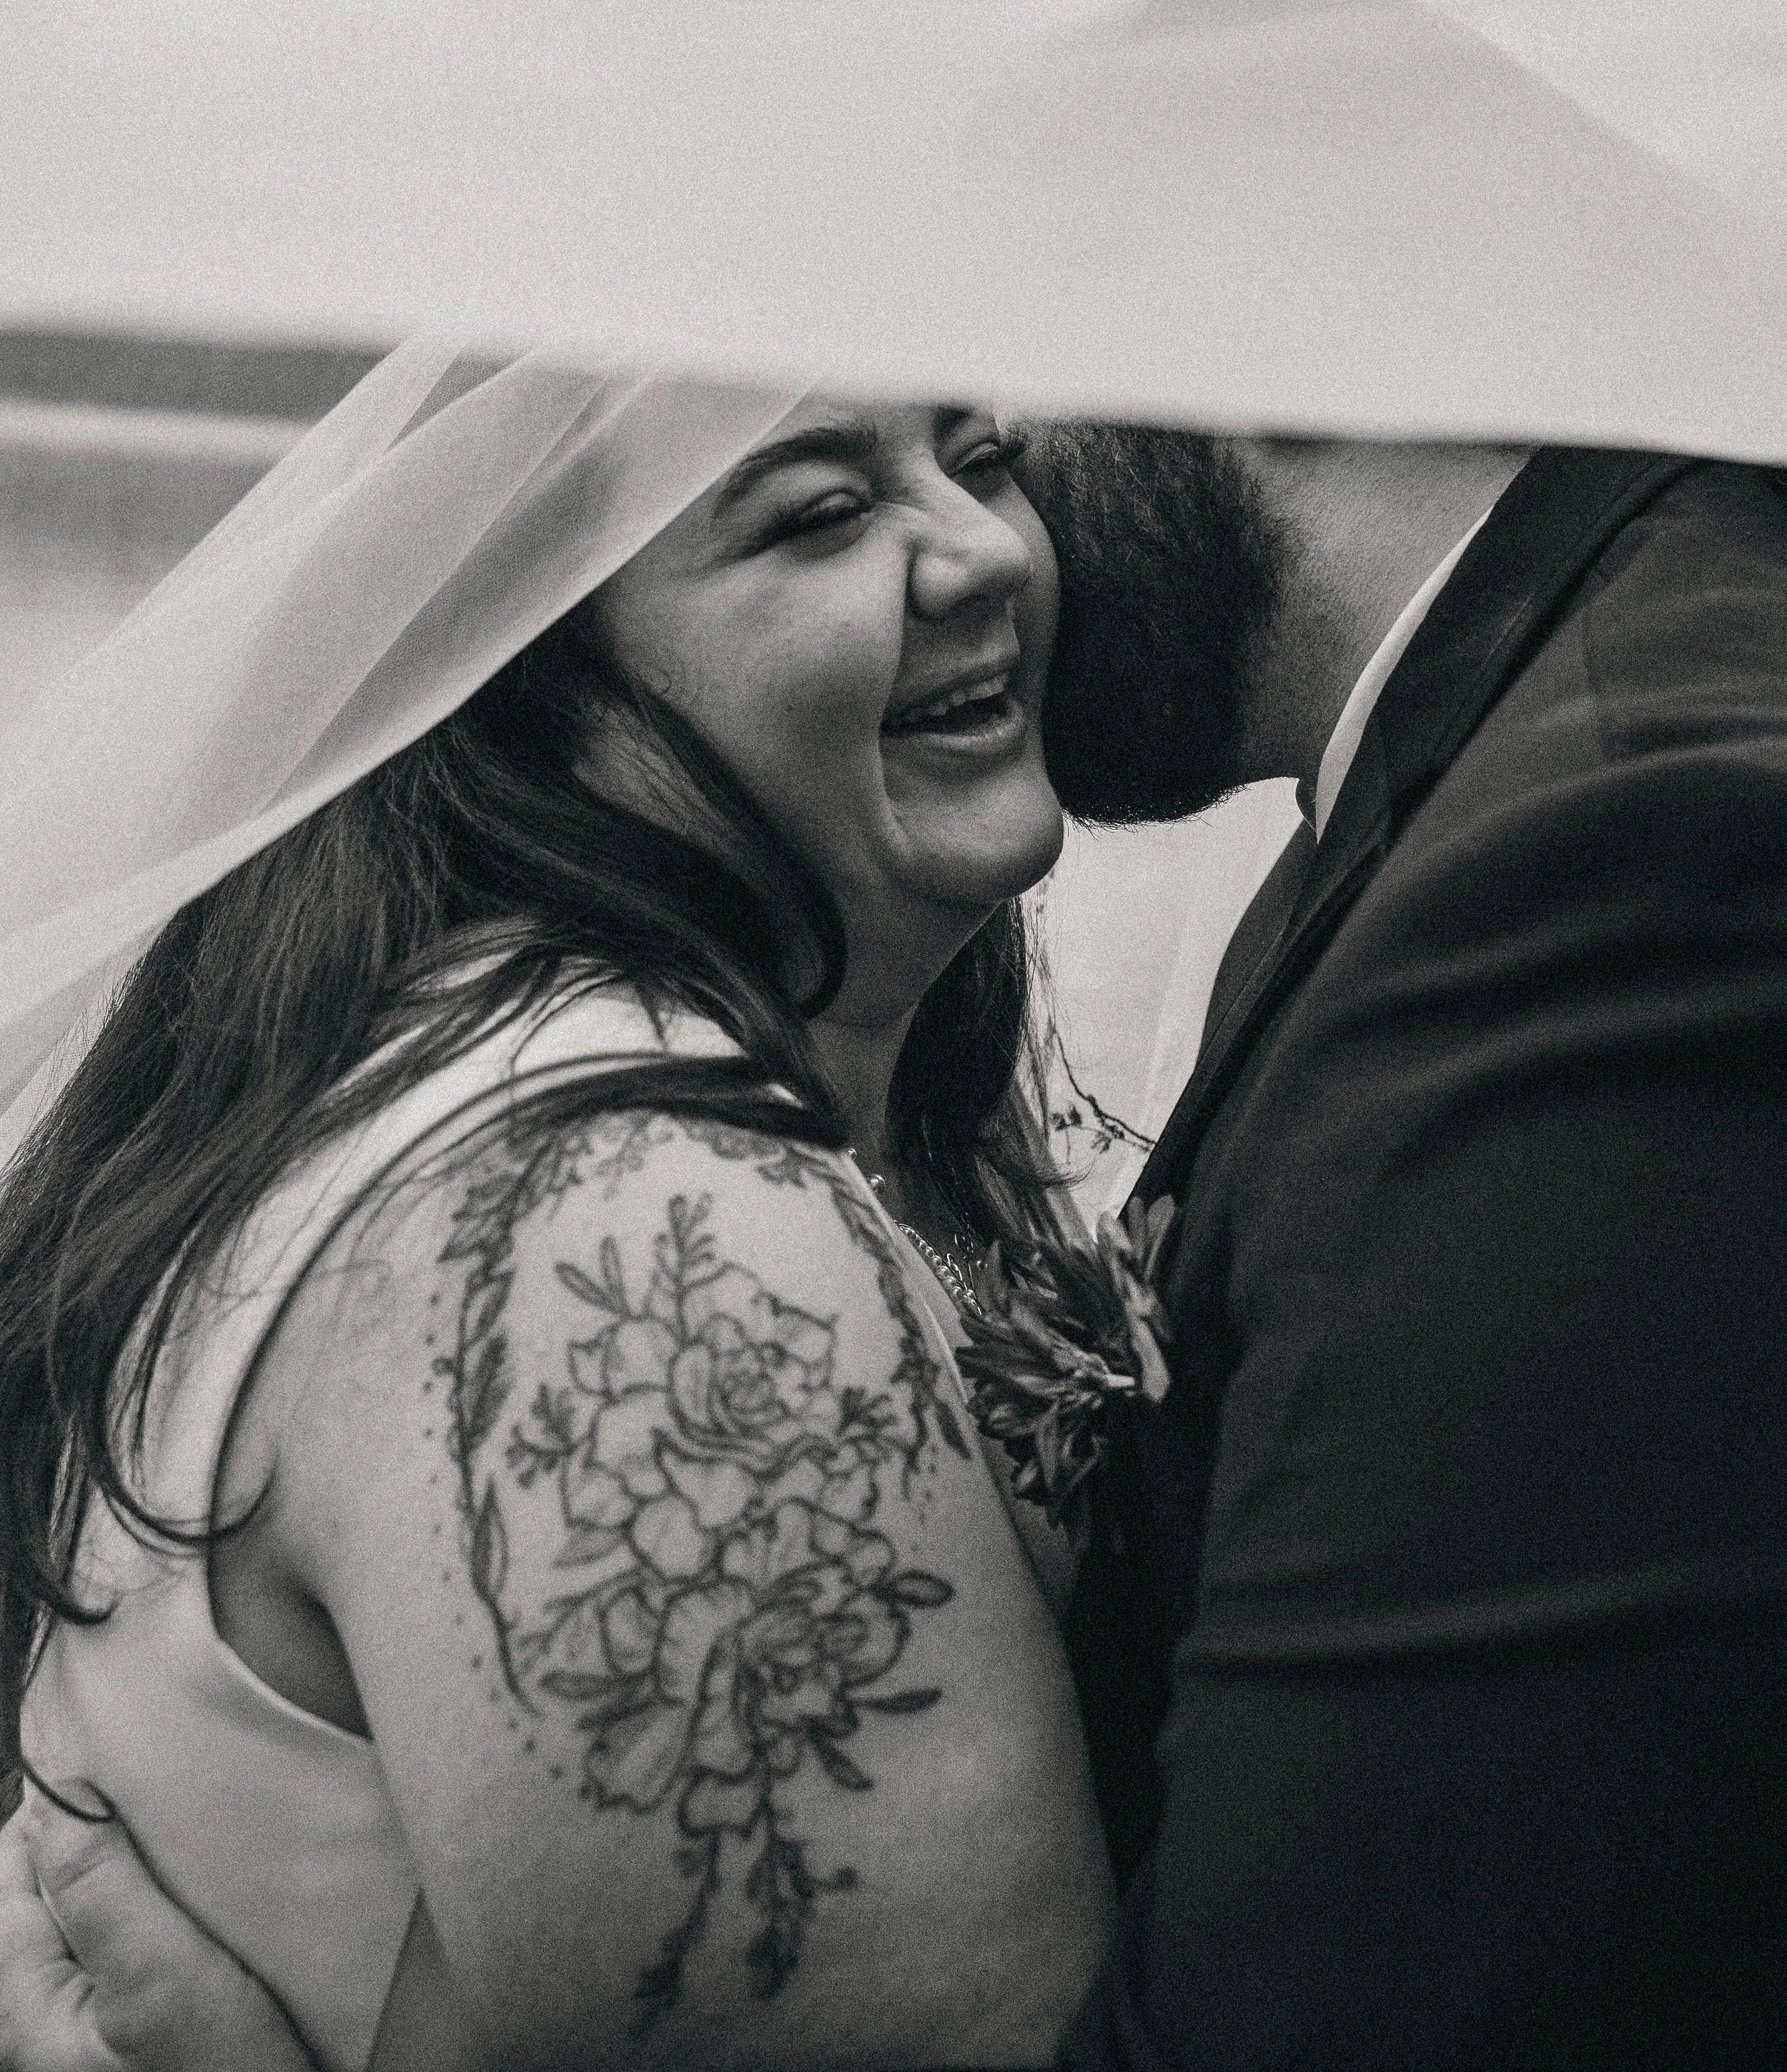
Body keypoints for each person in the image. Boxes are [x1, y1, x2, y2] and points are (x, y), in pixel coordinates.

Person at [0, 350, 1120, 2071]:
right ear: (535, 679)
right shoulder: (620, 1217)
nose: (979, 548)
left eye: (978, 456)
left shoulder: (568, 1084)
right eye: (818, 514)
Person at [1026, 422, 1787, 2068]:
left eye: (986, 422)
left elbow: (1333, 1998)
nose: (980, 535)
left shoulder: (1626, 856)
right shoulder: (1473, 746)